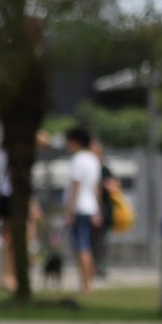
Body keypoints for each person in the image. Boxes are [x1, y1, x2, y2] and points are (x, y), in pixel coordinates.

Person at [62, 126, 102, 295]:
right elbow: (96, 187)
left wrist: (70, 209)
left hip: (79, 208)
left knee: (81, 246)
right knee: (87, 245)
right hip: (91, 207)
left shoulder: (78, 159)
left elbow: (75, 186)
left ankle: (85, 285)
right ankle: (88, 282)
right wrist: (97, 209)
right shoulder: (94, 159)